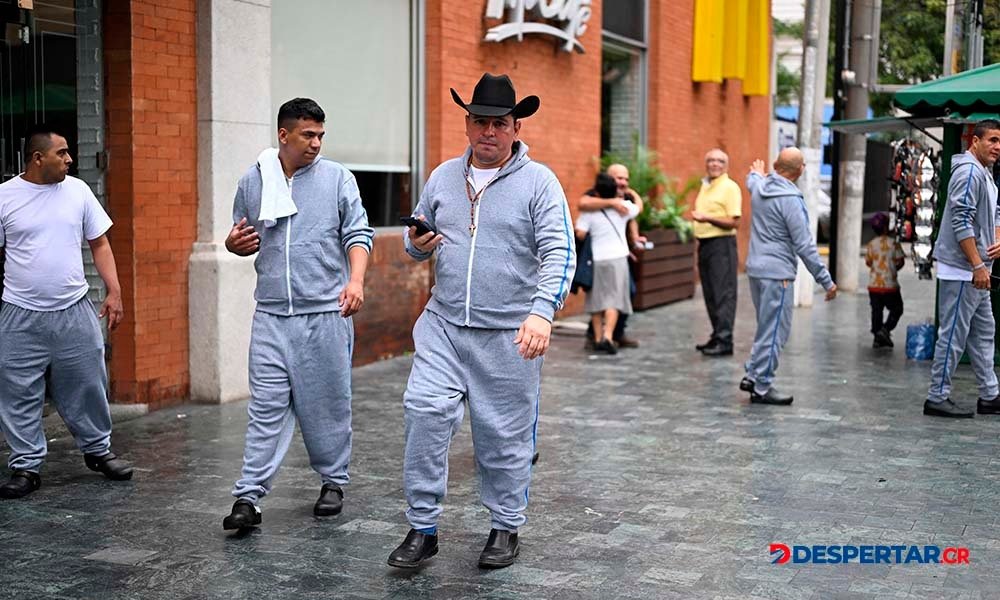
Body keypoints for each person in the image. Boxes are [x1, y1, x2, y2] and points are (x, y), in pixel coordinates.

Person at [389, 73, 574, 570]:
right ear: (467, 124)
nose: (487, 131)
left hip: (509, 334)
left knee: (503, 437)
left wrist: (540, 313)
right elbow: (415, 235)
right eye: (478, 121)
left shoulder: (540, 182)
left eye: (499, 123)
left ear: (515, 127)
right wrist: (416, 244)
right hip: (444, 324)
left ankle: (505, 526)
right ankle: (423, 528)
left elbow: (559, 251)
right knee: (425, 413)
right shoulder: (442, 175)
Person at [221, 98, 374, 529]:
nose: (316, 143)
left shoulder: (337, 178)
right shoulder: (253, 181)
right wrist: (232, 246)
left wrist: (356, 280)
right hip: (270, 314)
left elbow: (358, 233)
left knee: (327, 404)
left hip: (325, 313)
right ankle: (248, 498)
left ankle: (332, 480)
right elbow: (240, 234)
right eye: (308, 135)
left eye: (321, 135)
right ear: (283, 135)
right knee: (265, 407)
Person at [0, 125, 132, 499]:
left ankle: (98, 450)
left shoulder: (78, 191)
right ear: (37, 158)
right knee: (17, 389)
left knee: (88, 383)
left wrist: (115, 291)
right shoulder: (5, 198)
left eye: (69, 152)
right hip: (19, 314)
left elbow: (100, 243)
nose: (70, 159)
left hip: (73, 309)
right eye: (62, 153)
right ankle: (25, 465)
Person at [740, 148, 837, 405]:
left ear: (774, 164)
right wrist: (826, 280)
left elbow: (752, 180)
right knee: (775, 332)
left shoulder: (760, 187)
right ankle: (762, 386)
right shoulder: (791, 200)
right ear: (800, 171)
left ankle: (752, 373)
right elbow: (804, 246)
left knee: (765, 327)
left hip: (756, 271)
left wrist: (756, 173)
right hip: (777, 275)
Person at [924, 119, 1000, 419]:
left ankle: (990, 395)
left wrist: (997, 235)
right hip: (963, 270)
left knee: (984, 332)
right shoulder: (969, 172)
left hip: (976, 270)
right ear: (975, 141)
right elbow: (960, 221)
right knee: (953, 334)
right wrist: (978, 265)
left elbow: (992, 210)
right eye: (992, 140)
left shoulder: (984, 172)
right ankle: (936, 397)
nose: (997, 147)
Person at [578, 164, 645, 349]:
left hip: (600, 258)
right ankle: (606, 337)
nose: (623, 182)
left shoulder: (622, 200)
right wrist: (614, 202)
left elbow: (580, 232)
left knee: (599, 299)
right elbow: (639, 208)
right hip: (616, 258)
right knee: (614, 299)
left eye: (626, 179)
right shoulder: (610, 201)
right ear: (611, 181)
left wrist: (634, 237)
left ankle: (604, 336)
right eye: (619, 178)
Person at [691, 149, 742, 357]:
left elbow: (734, 221)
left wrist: (706, 219)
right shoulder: (706, 185)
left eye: (719, 161)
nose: (714, 164)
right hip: (705, 245)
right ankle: (716, 336)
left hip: (722, 245)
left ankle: (725, 340)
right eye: (710, 160)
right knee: (710, 293)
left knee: (723, 293)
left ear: (726, 165)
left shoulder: (729, 187)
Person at [864, 212, 905, 348]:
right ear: (887, 227)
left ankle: (877, 336)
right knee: (897, 308)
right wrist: (893, 270)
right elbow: (900, 261)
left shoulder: (871, 244)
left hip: (874, 285)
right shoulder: (894, 244)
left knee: (876, 311)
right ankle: (885, 330)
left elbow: (868, 262)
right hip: (890, 285)